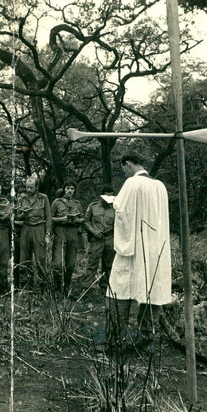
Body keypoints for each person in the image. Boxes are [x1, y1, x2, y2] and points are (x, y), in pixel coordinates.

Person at [107, 151, 172, 355]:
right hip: (155, 248)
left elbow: (123, 214)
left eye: (123, 168)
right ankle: (147, 339)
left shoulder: (132, 184)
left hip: (134, 247)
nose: (124, 173)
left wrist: (122, 242)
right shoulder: (159, 185)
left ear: (127, 164)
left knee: (118, 289)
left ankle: (115, 341)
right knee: (150, 289)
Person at [15, 177, 51, 290]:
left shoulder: (43, 198)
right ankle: (26, 286)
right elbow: (17, 215)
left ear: (36, 187)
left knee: (40, 258)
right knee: (24, 258)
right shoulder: (22, 199)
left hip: (39, 228)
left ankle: (42, 286)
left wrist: (48, 233)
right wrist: (23, 214)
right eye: (27, 187)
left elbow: (48, 217)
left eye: (31, 187)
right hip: (26, 229)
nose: (29, 190)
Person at [51, 181, 84, 295]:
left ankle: (66, 288)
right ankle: (56, 290)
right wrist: (62, 219)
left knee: (70, 264)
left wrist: (76, 220)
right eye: (68, 188)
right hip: (60, 231)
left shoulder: (77, 204)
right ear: (64, 189)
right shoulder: (57, 202)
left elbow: (82, 219)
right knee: (57, 263)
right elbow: (50, 218)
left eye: (72, 189)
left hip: (73, 232)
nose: (70, 191)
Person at [83, 185, 116, 290]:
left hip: (110, 239)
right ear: (101, 196)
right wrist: (94, 232)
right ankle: (86, 287)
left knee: (108, 264)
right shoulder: (93, 207)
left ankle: (105, 287)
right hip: (96, 239)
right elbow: (86, 221)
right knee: (92, 263)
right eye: (107, 196)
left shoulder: (116, 208)